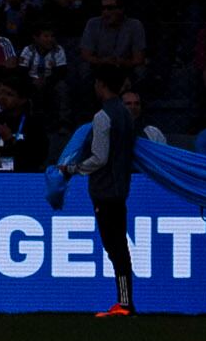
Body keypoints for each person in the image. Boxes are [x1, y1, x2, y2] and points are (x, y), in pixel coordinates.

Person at [46, 69, 145, 315]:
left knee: (115, 247)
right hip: (120, 187)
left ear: (101, 84)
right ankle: (125, 301)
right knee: (119, 246)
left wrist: (72, 169)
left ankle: (125, 303)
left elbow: (99, 157)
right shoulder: (125, 114)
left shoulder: (103, 117)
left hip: (105, 189)